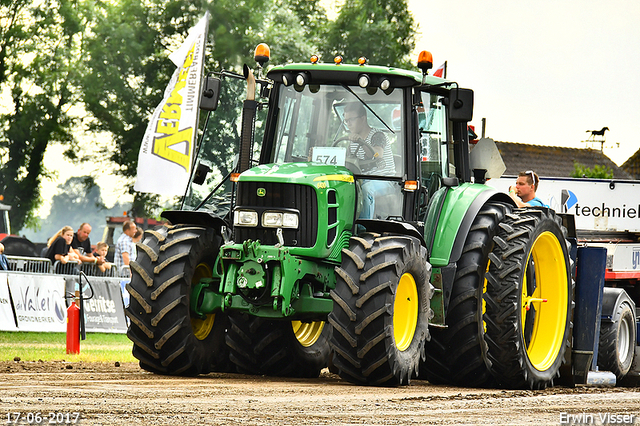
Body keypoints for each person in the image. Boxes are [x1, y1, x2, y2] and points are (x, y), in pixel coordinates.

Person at [343, 103, 398, 219]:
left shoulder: (378, 135)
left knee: (366, 190)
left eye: (351, 119)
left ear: (363, 118)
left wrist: (360, 142)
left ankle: (363, 229)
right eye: (346, 120)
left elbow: (377, 154)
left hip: (384, 179)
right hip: (362, 180)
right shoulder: (352, 141)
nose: (348, 124)